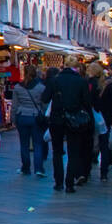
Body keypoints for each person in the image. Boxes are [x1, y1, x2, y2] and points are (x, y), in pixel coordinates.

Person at [42, 58, 90, 193]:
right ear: (77, 67)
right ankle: (69, 183)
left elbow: (45, 98)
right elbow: (87, 102)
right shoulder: (81, 81)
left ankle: (58, 182)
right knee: (73, 151)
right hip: (74, 120)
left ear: (64, 66)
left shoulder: (54, 80)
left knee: (57, 151)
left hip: (57, 119)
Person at [11, 64, 49, 177]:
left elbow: (14, 105)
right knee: (38, 143)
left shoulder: (18, 87)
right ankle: (38, 168)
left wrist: (13, 119)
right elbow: (44, 105)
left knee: (24, 144)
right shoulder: (41, 88)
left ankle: (26, 167)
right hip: (35, 117)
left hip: (22, 116)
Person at [78, 61, 105, 185]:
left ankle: (83, 171)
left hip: (84, 116)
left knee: (84, 143)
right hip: (96, 116)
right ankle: (95, 168)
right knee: (96, 141)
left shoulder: (85, 82)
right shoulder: (99, 84)